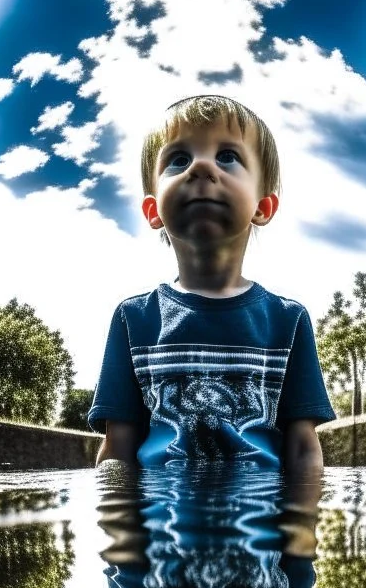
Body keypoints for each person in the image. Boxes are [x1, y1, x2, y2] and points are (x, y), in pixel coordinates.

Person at [88, 94, 335, 470]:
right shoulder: (133, 319)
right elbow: (116, 451)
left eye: (227, 157)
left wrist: (302, 527)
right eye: (179, 159)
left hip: (258, 518)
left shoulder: (288, 321)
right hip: (162, 518)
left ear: (262, 206)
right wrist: (118, 525)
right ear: (153, 211)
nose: (201, 167)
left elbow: (304, 449)